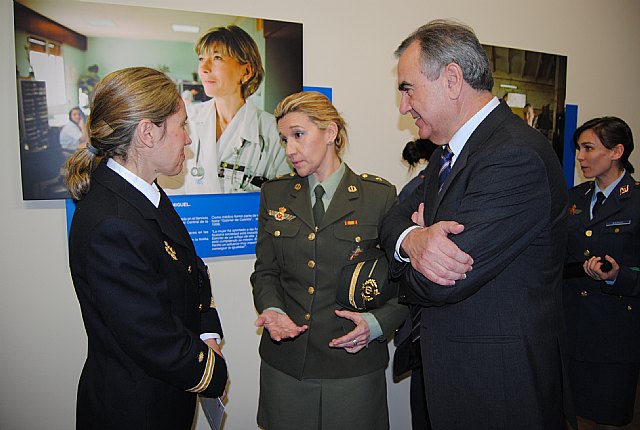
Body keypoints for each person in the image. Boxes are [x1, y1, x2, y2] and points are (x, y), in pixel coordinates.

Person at [379, 20, 574, 429]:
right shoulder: (449, 154)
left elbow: (439, 283)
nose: (403, 106)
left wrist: (397, 265)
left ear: (452, 79)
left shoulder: (514, 156)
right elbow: (392, 216)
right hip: (453, 377)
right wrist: (414, 239)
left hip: (498, 389)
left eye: (407, 88)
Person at [65, 67, 228, 429]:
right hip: (136, 410)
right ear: (148, 132)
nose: (188, 139)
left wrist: (206, 332)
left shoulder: (144, 192)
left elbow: (192, 268)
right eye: (182, 125)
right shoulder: (112, 221)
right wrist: (213, 370)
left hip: (164, 398)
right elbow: (153, 338)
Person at [250, 91, 408, 430]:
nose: (289, 149)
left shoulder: (378, 197)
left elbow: (403, 285)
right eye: (283, 139)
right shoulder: (274, 194)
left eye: (298, 135)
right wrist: (273, 311)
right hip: (288, 367)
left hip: (352, 369)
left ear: (331, 133)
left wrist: (377, 324)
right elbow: (265, 271)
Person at [563, 116, 640, 429]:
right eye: (579, 148)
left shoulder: (636, 202)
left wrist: (616, 276)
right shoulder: (573, 199)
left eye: (588, 148)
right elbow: (557, 260)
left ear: (616, 151)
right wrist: (581, 268)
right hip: (572, 332)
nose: (580, 156)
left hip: (614, 340)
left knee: (610, 420)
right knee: (568, 417)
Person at [158, 25, 291, 194]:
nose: (204, 68)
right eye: (201, 59)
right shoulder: (186, 119)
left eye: (217, 58)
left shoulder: (272, 131)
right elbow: (170, 187)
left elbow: (282, 198)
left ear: (246, 71)